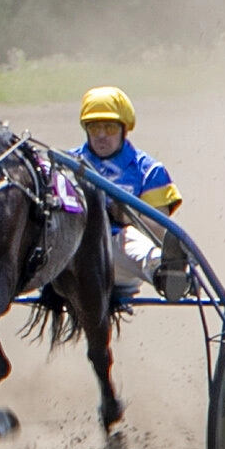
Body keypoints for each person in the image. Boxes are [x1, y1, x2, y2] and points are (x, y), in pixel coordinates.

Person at [70, 86, 188, 299]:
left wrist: (129, 217)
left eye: (110, 128)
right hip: (70, 251)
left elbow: (160, 230)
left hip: (118, 257)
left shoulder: (149, 171)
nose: (102, 135)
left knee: (128, 237)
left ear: (125, 128)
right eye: (95, 128)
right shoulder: (66, 165)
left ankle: (165, 275)